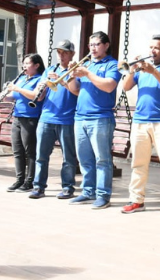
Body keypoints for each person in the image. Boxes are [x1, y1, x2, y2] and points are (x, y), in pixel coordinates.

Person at [121, 34, 160, 217]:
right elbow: (125, 87)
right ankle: (136, 200)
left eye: (156, 48)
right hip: (140, 121)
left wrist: (154, 72)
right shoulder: (141, 69)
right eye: (150, 48)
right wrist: (132, 69)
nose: (152, 51)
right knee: (138, 163)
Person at [66, 31, 121, 210]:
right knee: (84, 159)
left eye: (97, 44)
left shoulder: (112, 64)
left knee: (102, 159)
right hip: (80, 117)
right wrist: (72, 74)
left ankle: (103, 195)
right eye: (91, 45)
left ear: (106, 45)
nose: (93, 48)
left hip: (100, 118)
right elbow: (74, 90)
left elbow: (109, 86)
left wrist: (87, 74)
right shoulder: (87, 64)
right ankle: (88, 191)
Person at [29, 40, 80, 200]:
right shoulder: (50, 70)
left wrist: (62, 80)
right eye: (59, 52)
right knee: (41, 156)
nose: (61, 55)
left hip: (67, 119)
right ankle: (38, 187)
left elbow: (76, 91)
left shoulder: (75, 71)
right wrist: (42, 87)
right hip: (46, 117)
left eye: (65, 52)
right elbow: (40, 95)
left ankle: (67, 187)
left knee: (68, 157)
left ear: (72, 54)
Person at [5, 53, 46, 192]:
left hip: (31, 118)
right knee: (17, 151)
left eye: (27, 63)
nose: (24, 66)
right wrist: (5, 95)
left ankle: (30, 181)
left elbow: (35, 96)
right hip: (17, 117)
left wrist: (16, 88)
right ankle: (19, 179)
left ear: (36, 65)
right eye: (24, 63)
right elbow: (14, 96)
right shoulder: (22, 79)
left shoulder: (40, 79)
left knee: (30, 151)